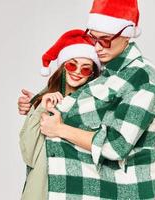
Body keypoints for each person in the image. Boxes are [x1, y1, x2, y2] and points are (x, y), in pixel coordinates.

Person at [18, 0, 155, 199]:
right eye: (93, 38)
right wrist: (37, 101)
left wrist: (59, 129)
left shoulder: (143, 77)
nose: (97, 47)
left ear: (126, 34)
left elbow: (116, 146)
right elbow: (73, 100)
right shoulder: (103, 73)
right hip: (77, 189)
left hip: (124, 192)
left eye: (104, 40)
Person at [19, 29, 101, 200]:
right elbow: (28, 154)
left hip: (78, 190)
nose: (78, 71)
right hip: (41, 190)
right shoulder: (44, 100)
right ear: (63, 65)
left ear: (92, 75)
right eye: (72, 65)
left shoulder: (93, 105)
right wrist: (39, 106)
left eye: (86, 69)